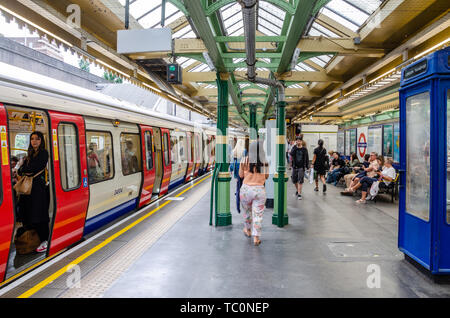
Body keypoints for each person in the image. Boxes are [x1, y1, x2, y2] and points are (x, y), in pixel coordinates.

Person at [17, 131, 49, 253]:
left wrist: (24, 169)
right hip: (28, 189)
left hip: (37, 189)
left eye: (37, 139)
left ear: (41, 141)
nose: (34, 141)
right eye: (32, 139)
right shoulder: (30, 154)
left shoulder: (43, 153)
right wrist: (24, 169)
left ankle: (45, 240)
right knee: (28, 213)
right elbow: (21, 171)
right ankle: (32, 238)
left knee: (39, 214)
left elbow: (32, 168)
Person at [239, 140, 269, 246]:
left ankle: (247, 230)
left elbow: (241, 175)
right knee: (258, 215)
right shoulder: (264, 161)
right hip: (259, 190)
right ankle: (256, 237)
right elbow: (266, 176)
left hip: (246, 190)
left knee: (247, 212)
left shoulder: (244, 160)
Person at [290, 136, 309, 200]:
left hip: (301, 167)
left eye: (299, 141)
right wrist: (295, 146)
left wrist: (307, 166)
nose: (298, 142)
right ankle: (298, 190)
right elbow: (291, 154)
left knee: (300, 180)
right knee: (294, 180)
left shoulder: (304, 149)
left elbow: (307, 158)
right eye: (297, 140)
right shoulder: (294, 148)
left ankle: (299, 194)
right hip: (295, 167)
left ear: (301, 141)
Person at [231, 138, 246, 213]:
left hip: (237, 172)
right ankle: (244, 206)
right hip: (243, 171)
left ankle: (238, 206)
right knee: (243, 188)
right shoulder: (244, 151)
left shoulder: (234, 151)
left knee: (238, 189)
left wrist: (231, 171)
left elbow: (232, 163)